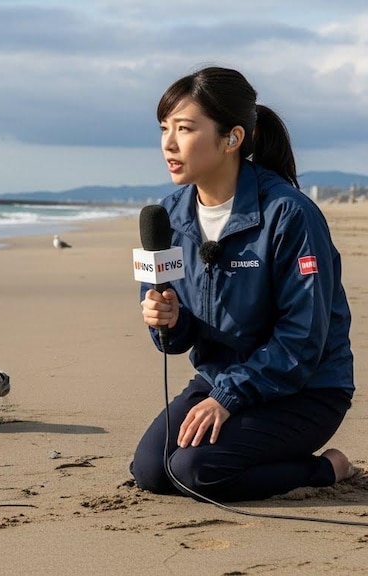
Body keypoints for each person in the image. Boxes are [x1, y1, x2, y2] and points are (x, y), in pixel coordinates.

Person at [130, 66, 356, 502]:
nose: (168, 143)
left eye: (185, 128)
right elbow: (174, 340)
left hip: (306, 389)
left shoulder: (290, 215)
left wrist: (230, 397)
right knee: (153, 470)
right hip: (221, 379)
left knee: (196, 470)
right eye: (164, 128)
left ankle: (326, 468)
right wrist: (168, 321)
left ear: (232, 138)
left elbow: (303, 338)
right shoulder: (169, 216)